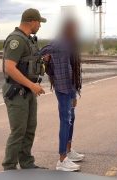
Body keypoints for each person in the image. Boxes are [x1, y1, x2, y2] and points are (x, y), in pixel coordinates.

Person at [1, 8, 49, 170]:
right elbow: (10, 67)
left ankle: (27, 163)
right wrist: (31, 85)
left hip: (27, 91)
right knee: (18, 131)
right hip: (17, 92)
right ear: (32, 21)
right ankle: (9, 167)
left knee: (29, 129)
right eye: (39, 23)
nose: (40, 26)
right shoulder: (17, 40)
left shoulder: (28, 40)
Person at [41, 19, 84, 172]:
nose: (76, 31)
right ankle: (61, 159)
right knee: (65, 120)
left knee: (72, 118)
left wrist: (76, 90)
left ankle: (69, 151)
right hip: (62, 87)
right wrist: (46, 58)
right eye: (74, 28)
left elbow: (74, 66)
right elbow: (43, 51)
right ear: (67, 29)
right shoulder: (58, 42)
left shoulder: (70, 42)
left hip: (71, 86)